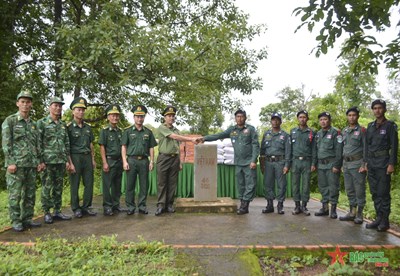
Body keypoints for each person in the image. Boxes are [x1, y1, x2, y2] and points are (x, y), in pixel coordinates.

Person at [198, 109, 259, 214]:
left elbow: (255, 145)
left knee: (250, 184)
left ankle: (245, 205)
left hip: (249, 162)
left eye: (241, 116)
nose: (239, 118)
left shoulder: (250, 129)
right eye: (237, 117)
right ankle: (243, 203)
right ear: (235, 118)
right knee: (240, 184)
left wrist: (253, 160)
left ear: (245, 118)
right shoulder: (232, 130)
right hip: (238, 162)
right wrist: (204, 138)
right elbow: (218, 135)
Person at [2, 91, 42, 232]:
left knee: (30, 194)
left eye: (28, 102)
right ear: (17, 103)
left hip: (31, 165)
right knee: (15, 194)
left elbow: (36, 144)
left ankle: (27, 219)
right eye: (22, 102)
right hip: (16, 166)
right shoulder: (11, 121)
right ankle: (16, 220)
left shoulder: (33, 124)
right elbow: (6, 143)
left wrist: (39, 161)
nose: (25, 105)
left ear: (31, 104)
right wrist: (10, 162)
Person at [155, 106, 198, 216]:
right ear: (164, 117)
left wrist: (180, 162)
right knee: (162, 182)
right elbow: (174, 137)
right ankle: (161, 205)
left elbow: (179, 147)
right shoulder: (162, 128)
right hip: (164, 158)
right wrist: (191, 139)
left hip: (174, 158)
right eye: (169, 116)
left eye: (173, 116)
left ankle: (169, 204)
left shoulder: (177, 130)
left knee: (172, 183)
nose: (171, 118)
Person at [37, 96, 72, 224]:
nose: (58, 108)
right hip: (47, 162)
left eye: (60, 106)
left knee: (58, 187)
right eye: (55, 105)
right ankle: (47, 212)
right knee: (47, 187)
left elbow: (66, 144)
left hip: (60, 161)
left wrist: (68, 160)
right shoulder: (42, 123)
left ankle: (57, 210)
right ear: (50, 107)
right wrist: (40, 161)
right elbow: (38, 143)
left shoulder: (63, 125)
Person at [365, 99, 398, 232]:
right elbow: (367, 146)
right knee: (374, 192)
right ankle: (378, 217)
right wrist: (366, 162)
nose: (377, 110)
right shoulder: (370, 126)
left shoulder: (390, 125)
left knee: (383, 192)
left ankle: (385, 220)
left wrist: (391, 164)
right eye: (375, 108)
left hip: (384, 163)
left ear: (384, 109)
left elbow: (394, 146)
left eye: (379, 108)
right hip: (372, 163)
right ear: (372, 110)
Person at [121, 105, 157, 215]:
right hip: (131, 160)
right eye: (137, 116)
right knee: (130, 185)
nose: (139, 119)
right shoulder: (127, 131)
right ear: (134, 117)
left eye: (141, 117)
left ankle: (142, 206)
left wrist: (151, 161)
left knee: (144, 185)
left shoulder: (148, 132)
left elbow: (151, 147)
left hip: (144, 161)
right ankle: (130, 207)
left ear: (144, 118)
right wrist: (124, 161)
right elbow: (123, 146)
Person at [67, 97, 97, 218]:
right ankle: (76, 208)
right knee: (75, 183)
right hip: (75, 157)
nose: (81, 112)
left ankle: (86, 206)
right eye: (78, 110)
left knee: (89, 183)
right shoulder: (68, 127)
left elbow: (91, 144)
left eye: (83, 110)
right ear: (73, 111)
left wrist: (93, 159)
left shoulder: (88, 127)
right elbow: (66, 146)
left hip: (87, 157)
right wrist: (70, 163)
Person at [339, 107, 367, 224]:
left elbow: (366, 148)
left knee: (359, 189)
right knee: (349, 189)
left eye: (354, 115)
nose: (351, 117)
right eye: (349, 115)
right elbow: (342, 148)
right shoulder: (344, 131)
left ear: (358, 116)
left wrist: (364, 164)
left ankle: (359, 214)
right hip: (346, 164)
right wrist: (341, 164)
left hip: (357, 164)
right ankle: (352, 212)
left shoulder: (362, 130)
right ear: (347, 117)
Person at [260, 112, 291, 215]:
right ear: (271, 121)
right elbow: (262, 151)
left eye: (277, 119)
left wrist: (287, 165)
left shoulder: (285, 135)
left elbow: (288, 152)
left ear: (280, 121)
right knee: (268, 184)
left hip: (280, 162)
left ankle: (280, 205)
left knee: (281, 185)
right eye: (273, 119)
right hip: (268, 163)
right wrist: (262, 164)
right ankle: (269, 205)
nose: (275, 121)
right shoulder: (266, 134)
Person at [314, 112, 343, 219]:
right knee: (323, 187)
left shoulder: (336, 132)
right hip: (321, 165)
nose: (323, 121)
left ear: (329, 120)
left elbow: (339, 151)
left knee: (333, 187)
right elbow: (316, 150)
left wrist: (337, 165)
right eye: (321, 119)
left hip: (332, 165)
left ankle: (333, 210)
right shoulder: (318, 134)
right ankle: (325, 208)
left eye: (325, 119)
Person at [290, 110, 316, 216]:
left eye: (304, 117)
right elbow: (289, 149)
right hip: (295, 161)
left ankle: (304, 206)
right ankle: (297, 206)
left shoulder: (311, 132)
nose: (302, 119)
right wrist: (289, 163)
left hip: (307, 161)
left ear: (307, 118)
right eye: (300, 117)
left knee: (306, 185)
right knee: (295, 184)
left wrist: (314, 163)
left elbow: (314, 149)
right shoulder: (293, 132)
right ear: (297, 119)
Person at [99, 104, 124, 216]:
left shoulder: (120, 131)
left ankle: (115, 205)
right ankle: (107, 206)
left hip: (119, 161)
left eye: (117, 115)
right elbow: (102, 147)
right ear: (108, 117)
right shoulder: (104, 131)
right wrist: (104, 162)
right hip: (109, 160)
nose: (115, 118)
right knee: (107, 185)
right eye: (113, 115)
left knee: (117, 185)